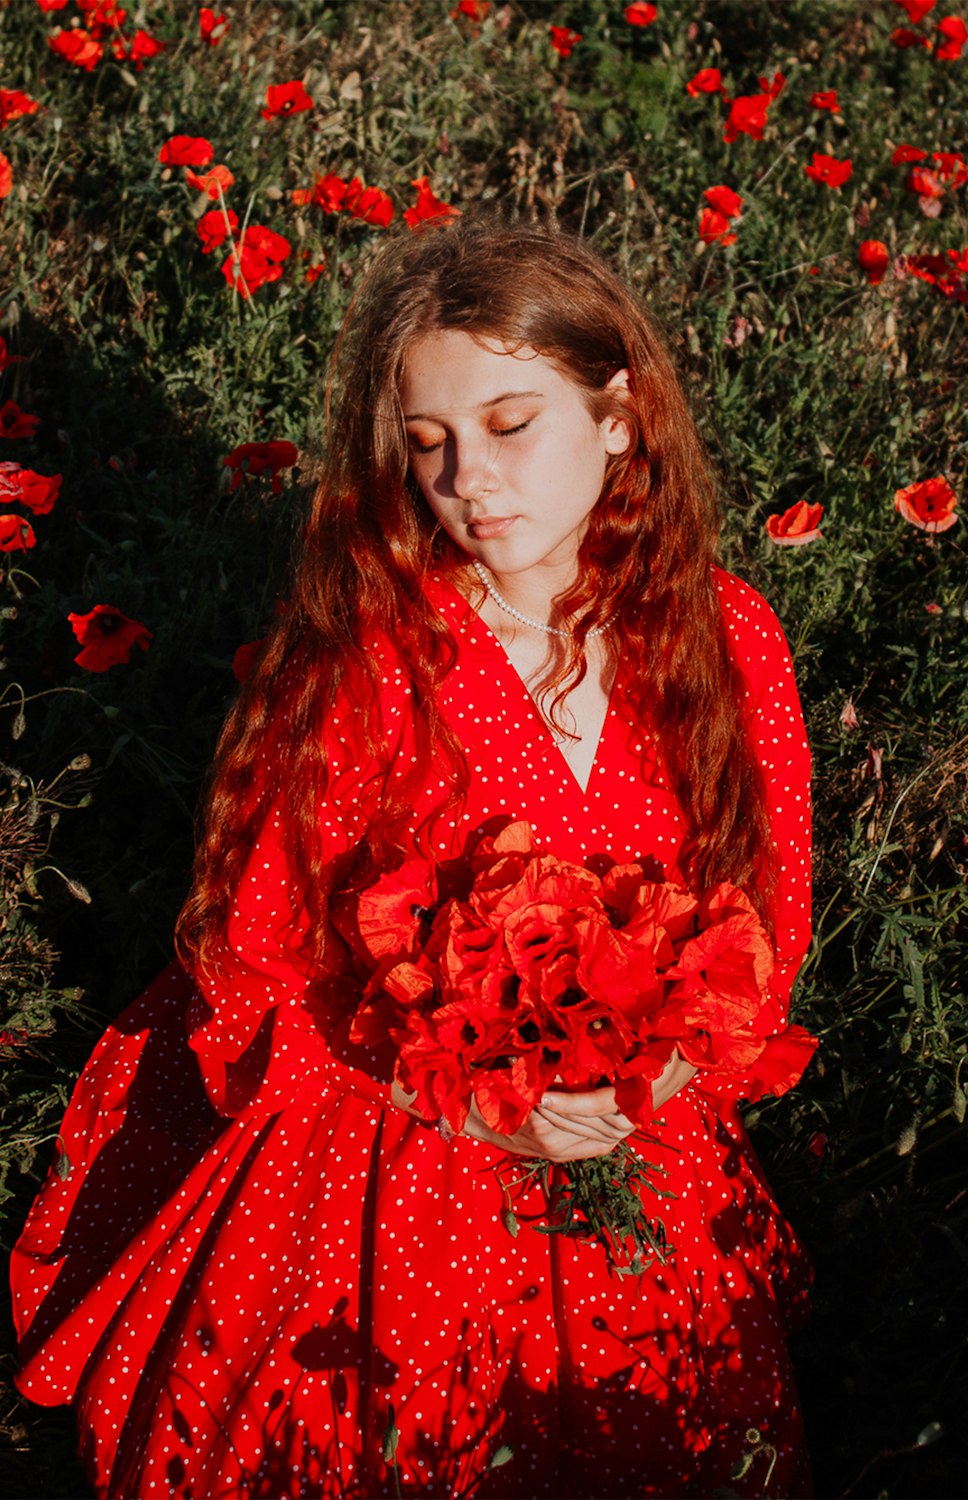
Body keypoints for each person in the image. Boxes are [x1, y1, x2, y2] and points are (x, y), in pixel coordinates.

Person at [11, 219, 816, 1499]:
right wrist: (456, 1090)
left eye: (510, 424)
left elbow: (763, 913)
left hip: (634, 1127)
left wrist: (663, 1065)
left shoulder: (728, 637)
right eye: (429, 444)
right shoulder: (362, 655)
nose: (468, 481)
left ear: (617, 416)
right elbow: (262, 945)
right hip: (386, 1136)